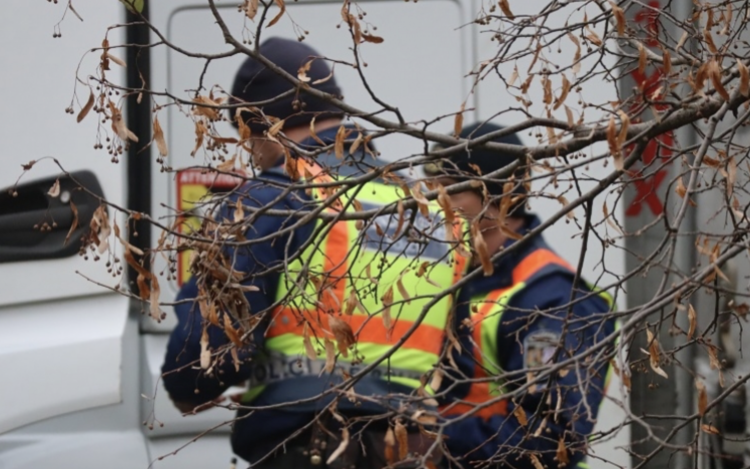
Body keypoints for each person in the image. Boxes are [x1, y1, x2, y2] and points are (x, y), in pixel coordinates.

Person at [161, 37, 466, 469]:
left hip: (311, 449)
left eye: (247, 136)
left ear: (261, 123)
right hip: (416, 452)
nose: (252, 153)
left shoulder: (273, 198)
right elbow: (471, 367)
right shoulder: (434, 211)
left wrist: (196, 387)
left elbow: (199, 357)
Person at [424, 122, 617, 469]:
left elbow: (550, 437)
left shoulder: (557, 301)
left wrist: (434, 441)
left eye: (450, 192)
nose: (438, 208)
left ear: (500, 195)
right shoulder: (452, 283)